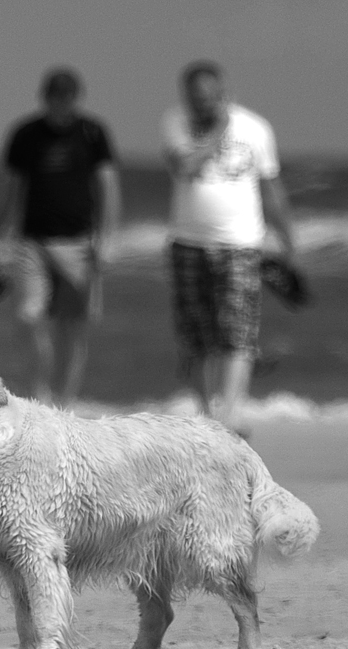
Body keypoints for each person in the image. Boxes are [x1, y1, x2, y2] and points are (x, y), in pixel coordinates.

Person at [162, 60, 297, 436]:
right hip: (188, 242)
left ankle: (232, 412)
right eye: (194, 99)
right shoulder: (175, 123)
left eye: (208, 99)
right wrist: (220, 129)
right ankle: (206, 414)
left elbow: (270, 185)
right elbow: (186, 166)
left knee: (237, 328)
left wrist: (287, 237)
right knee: (194, 333)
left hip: (241, 243)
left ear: (223, 95)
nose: (200, 106)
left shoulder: (255, 128)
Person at [0, 67, 120, 407]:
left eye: (67, 97)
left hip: (79, 243)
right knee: (29, 316)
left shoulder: (92, 133)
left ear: (77, 98)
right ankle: (38, 394)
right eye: (55, 97)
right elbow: (10, 188)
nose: (61, 103)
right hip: (32, 242)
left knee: (72, 327)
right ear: (45, 98)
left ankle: (65, 401)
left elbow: (108, 186)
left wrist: (108, 237)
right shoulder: (26, 134)